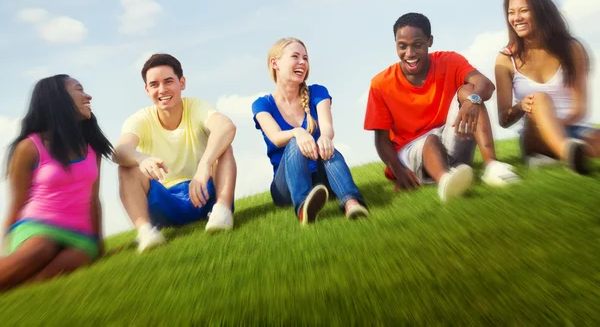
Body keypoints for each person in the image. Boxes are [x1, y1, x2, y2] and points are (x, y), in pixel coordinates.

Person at [364, 13, 521, 201]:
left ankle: (492, 166)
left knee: (469, 91)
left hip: (451, 142)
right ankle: (446, 181)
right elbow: (381, 140)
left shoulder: (449, 60)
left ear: (429, 41)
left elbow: (485, 84)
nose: (410, 53)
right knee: (430, 140)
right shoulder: (381, 84)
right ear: (396, 44)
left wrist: (472, 100)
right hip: (412, 153)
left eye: (417, 45)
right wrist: (398, 171)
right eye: (402, 46)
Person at [114, 54, 237, 253]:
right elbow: (119, 151)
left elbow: (226, 127)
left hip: (203, 193)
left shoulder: (196, 107)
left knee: (224, 147)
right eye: (154, 84)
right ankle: (146, 232)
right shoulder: (140, 119)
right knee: (126, 168)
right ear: (147, 90)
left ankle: (222, 211)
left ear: (182, 83)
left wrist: (204, 166)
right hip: (165, 201)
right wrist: (141, 159)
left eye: (168, 81)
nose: (162, 90)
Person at [0, 75, 112, 291]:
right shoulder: (29, 147)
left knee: (45, 278)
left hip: (80, 236)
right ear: (57, 99)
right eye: (79, 89)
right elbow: (17, 203)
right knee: (42, 247)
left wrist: (99, 246)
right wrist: (7, 250)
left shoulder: (92, 147)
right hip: (36, 230)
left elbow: (93, 199)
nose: (88, 96)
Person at [252, 38, 368, 224]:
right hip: (285, 187)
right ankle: (303, 207)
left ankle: (351, 203)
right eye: (295, 57)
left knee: (327, 146)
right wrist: (298, 132)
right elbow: (275, 137)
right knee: (293, 141)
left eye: (305, 58)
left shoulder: (318, 92)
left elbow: (327, 127)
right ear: (275, 63)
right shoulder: (262, 104)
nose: (302, 63)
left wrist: (324, 137)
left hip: (322, 179)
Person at [494, 0, 598, 174]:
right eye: (511, 13)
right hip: (535, 134)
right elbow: (503, 120)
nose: (516, 18)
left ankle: (571, 151)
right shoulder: (506, 59)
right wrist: (521, 106)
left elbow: (580, 108)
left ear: (541, 11)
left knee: (595, 138)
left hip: (574, 129)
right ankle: (569, 154)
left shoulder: (572, 49)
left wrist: (557, 127)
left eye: (524, 11)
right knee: (539, 98)